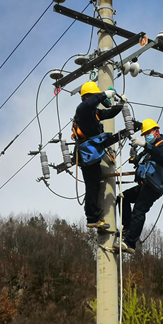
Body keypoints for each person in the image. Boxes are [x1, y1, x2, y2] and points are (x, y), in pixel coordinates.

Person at [115, 119, 163, 254]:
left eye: (148, 133)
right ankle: (129, 228)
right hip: (145, 184)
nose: (147, 136)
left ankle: (130, 243)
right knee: (122, 198)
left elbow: (161, 154)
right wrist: (133, 156)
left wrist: (145, 144)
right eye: (145, 134)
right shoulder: (148, 150)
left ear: (156, 132)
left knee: (139, 210)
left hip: (154, 187)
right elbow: (138, 161)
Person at [73, 81, 124, 230]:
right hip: (86, 154)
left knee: (94, 184)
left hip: (93, 153)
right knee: (92, 186)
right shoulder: (82, 111)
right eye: (94, 96)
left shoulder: (93, 113)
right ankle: (92, 218)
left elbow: (109, 113)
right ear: (87, 97)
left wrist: (120, 104)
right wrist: (103, 95)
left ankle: (93, 214)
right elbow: (86, 105)